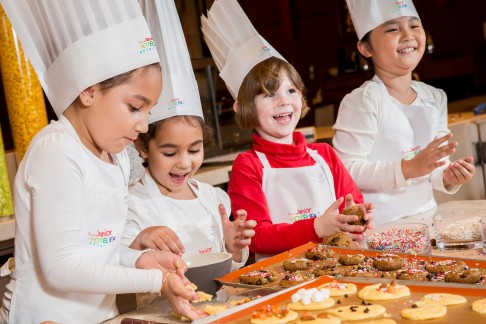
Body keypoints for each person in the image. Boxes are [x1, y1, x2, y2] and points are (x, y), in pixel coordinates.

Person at [0, 0, 206, 322]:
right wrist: (156, 280)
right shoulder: (57, 151)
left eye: (149, 111)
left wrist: (142, 260)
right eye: (134, 107)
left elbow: (98, 254)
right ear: (88, 91)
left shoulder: (116, 157)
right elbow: (62, 268)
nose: (143, 125)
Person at [201, 0, 373, 261]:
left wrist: (357, 215)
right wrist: (317, 227)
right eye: (269, 94)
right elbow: (257, 237)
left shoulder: (324, 155)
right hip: (279, 278)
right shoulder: (248, 166)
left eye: (290, 90)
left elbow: (353, 202)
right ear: (243, 107)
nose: (283, 101)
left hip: (338, 267)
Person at [122, 0, 256, 306]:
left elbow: (230, 269)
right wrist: (141, 241)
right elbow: (119, 262)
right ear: (143, 146)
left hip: (221, 308)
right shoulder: (132, 204)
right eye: (169, 153)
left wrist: (236, 248)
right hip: (162, 314)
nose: (184, 163)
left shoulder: (214, 198)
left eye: (194, 150)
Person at [332, 0, 476, 226]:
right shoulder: (363, 100)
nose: (408, 35)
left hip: (428, 218)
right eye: (392, 29)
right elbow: (346, 169)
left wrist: (447, 177)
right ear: (365, 48)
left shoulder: (435, 97)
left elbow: (434, 165)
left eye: (414, 26)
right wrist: (409, 168)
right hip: (378, 227)